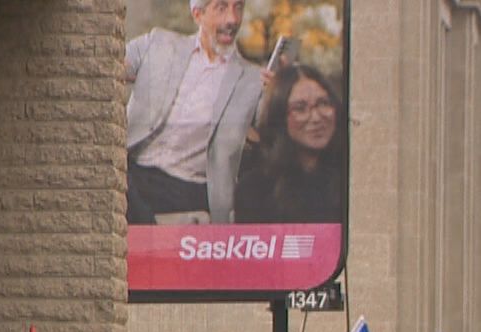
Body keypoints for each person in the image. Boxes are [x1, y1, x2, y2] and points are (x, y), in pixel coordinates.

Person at [124, 0, 265, 225]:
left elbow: (275, 129)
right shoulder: (158, 43)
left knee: (124, 195)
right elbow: (105, 65)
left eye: (238, 7)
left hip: (189, 187)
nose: (232, 19)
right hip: (135, 172)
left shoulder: (253, 80)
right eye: (222, 8)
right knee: (107, 176)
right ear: (198, 14)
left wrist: (280, 91)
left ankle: (150, 237)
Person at [233, 64, 347, 225]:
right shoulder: (254, 190)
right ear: (279, 116)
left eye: (323, 103)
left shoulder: (352, 177)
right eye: (300, 108)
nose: (316, 118)